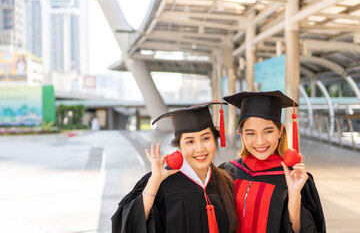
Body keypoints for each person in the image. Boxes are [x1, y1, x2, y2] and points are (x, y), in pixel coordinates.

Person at [111, 102, 238, 233]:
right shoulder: (160, 182)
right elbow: (129, 225)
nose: (200, 148)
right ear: (179, 147)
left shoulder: (226, 181)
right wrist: (155, 181)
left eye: (206, 138)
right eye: (190, 141)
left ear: (215, 140)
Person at [220, 91, 326, 233]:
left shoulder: (295, 178)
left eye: (268, 131)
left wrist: (294, 194)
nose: (260, 141)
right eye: (250, 133)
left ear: (280, 131)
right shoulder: (228, 172)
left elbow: (303, 229)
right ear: (241, 134)